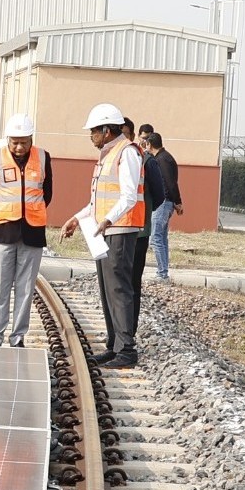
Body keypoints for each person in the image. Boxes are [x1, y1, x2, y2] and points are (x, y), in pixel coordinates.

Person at [60, 101, 147, 368]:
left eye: (94, 131)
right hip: (105, 230)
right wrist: (78, 217)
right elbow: (98, 200)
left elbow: (129, 196)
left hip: (120, 229)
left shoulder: (127, 152)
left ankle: (127, 349)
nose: (91, 136)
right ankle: (115, 345)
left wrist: (108, 220)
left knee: (119, 288)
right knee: (107, 289)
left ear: (107, 130)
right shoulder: (109, 154)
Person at [0, 118, 53, 346]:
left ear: (31, 140)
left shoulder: (43, 157)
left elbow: (48, 193)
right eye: (15, 142)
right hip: (3, 232)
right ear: (8, 140)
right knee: (0, 289)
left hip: (32, 233)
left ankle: (18, 337)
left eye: (24, 143)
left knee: (25, 290)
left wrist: (31, 210)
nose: (19, 147)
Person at [142, 127, 182, 281]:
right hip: (167, 202)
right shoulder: (166, 157)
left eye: (146, 144)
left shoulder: (162, 159)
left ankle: (162, 273)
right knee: (162, 238)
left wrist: (178, 201)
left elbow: (170, 182)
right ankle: (163, 272)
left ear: (150, 144)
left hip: (163, 202)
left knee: (156, 238)